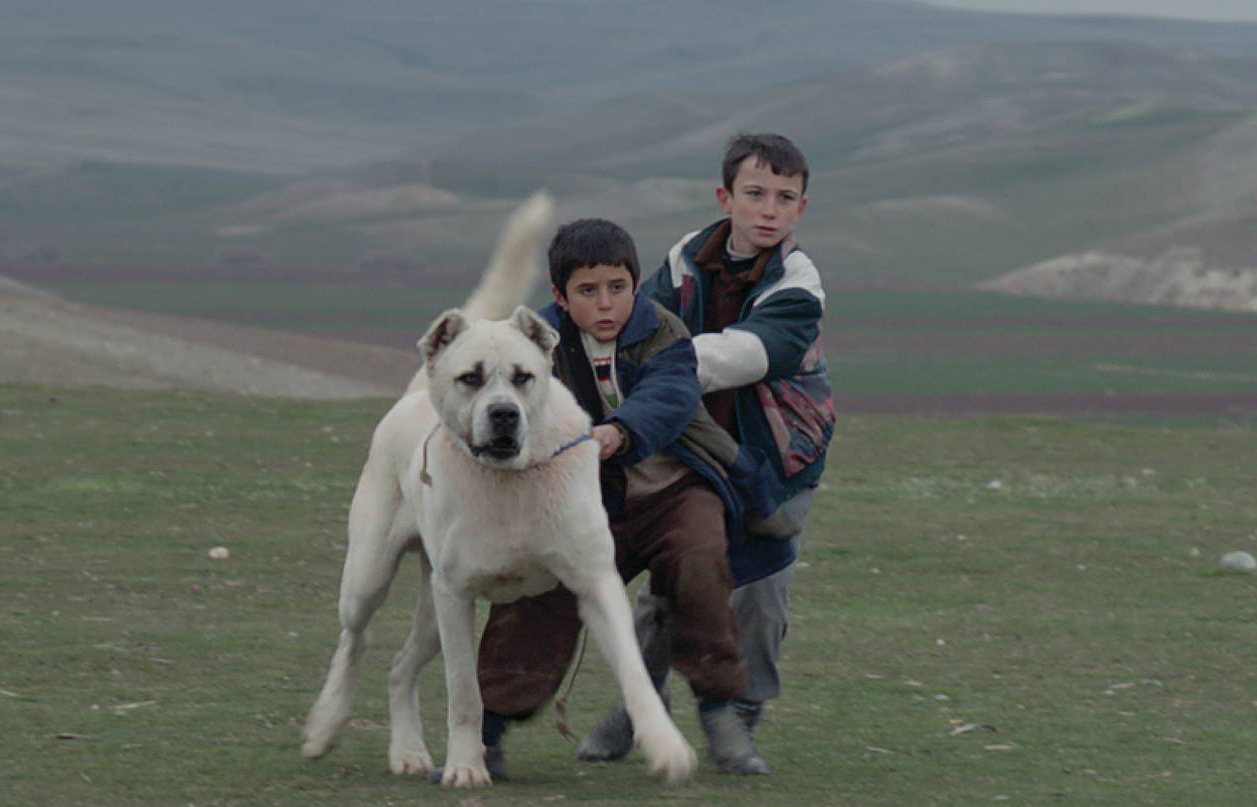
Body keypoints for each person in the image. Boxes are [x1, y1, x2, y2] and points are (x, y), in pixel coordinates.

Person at [459, 217, 780, 781]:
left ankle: (720, 710)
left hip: (672, 491)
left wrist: (619, 431)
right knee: (537, 590)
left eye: (618, 287)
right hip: (579, 501)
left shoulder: (663, 333)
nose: (606, 303)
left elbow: (670, 396)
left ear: (635, 284)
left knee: (701, 559)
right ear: (560, 296)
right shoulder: (534, 344)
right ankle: (486, 734)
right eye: (587, 291)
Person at [577, 132, 836, 774]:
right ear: (726, 197)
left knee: (760, 592)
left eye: (785, 197)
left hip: (778, 458)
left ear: (802, 207)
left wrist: (656, 370)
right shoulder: (685, 258)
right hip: (693, 451)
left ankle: (740, 720)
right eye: (754, 193)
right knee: (669, 584)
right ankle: (641, 709)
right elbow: (635, 319)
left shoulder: (800, 286)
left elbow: (747, 354)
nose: (768, 208)